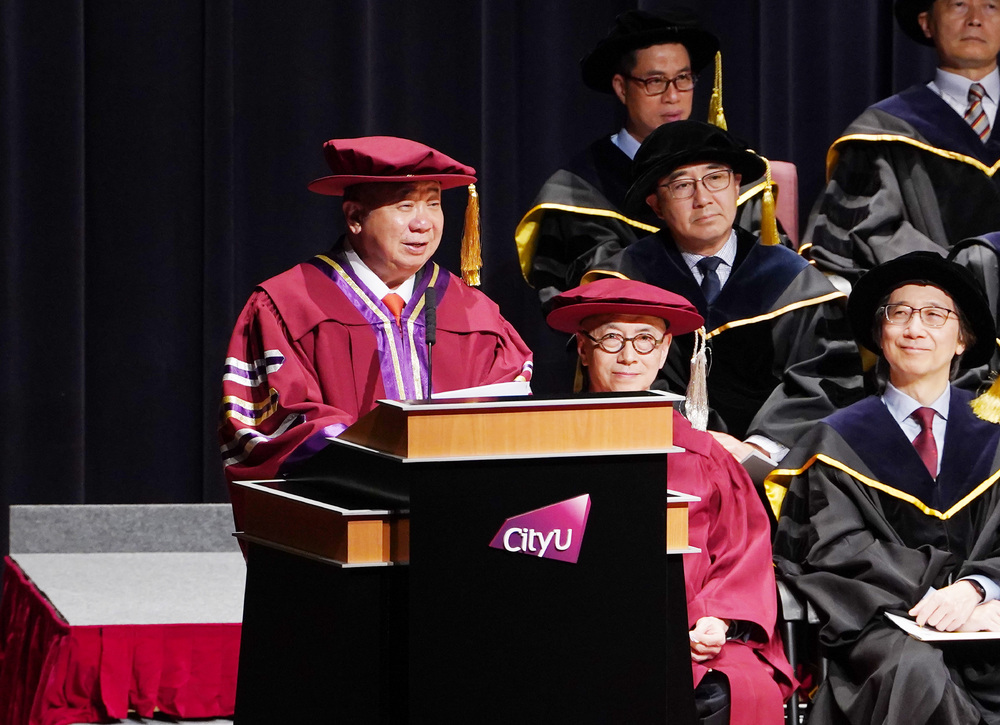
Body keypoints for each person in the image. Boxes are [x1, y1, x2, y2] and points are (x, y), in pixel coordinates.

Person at [546, 277, 795, 725]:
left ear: (663, 352)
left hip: (693, 633)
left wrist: (717, 620)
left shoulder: (704, 455)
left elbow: (743, 552)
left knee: (737, 688)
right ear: (583, 348)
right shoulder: (544, 444)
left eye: (645, 339)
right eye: (611, 338)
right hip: (578, 628)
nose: (629, 356)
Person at [219, 136, 533, 483]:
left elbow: (508, 414)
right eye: (405, 206)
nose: (423, 223)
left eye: (433, 203)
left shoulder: (475, 312)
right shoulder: (287, 306)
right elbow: (273, 426)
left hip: (454, 502)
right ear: (355, 217)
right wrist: (376, 459)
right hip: (344, 505)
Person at [771, 252, 1000, 724]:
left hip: (989, 612)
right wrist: (944, 594)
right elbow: (837, 549)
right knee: (915, 672)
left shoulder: (994, 435)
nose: (915, 328)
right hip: (883, 623)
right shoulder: (835, 441)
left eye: (934, 315)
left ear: (962, 339)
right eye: (900, 313)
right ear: (880, 334)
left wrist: (977, 589)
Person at [584, 120, 863, 463]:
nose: (703, 199)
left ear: (737, 184)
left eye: (716, 178)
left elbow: (823, 376)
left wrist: (758, 449)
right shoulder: (624, 281)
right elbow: (613, 381)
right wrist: (692, 443)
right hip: (658, 458)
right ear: (656, 205)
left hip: (774, 471)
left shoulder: (793, 281)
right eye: (682, 185)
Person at [515, 9, 773, 304]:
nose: (672, 96)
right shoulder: (580, 193)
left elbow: (774, 272)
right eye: (655, 81)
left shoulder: (735, 173)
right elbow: (586, 293)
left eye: (683, 78)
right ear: (621, 88)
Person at [803, 0, 1000, 285]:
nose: (975, 19)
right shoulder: (882, 131)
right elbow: (865, 232)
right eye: (959, 4)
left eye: (991, 6)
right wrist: (955, 277)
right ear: (926, 23)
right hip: (923, 297)